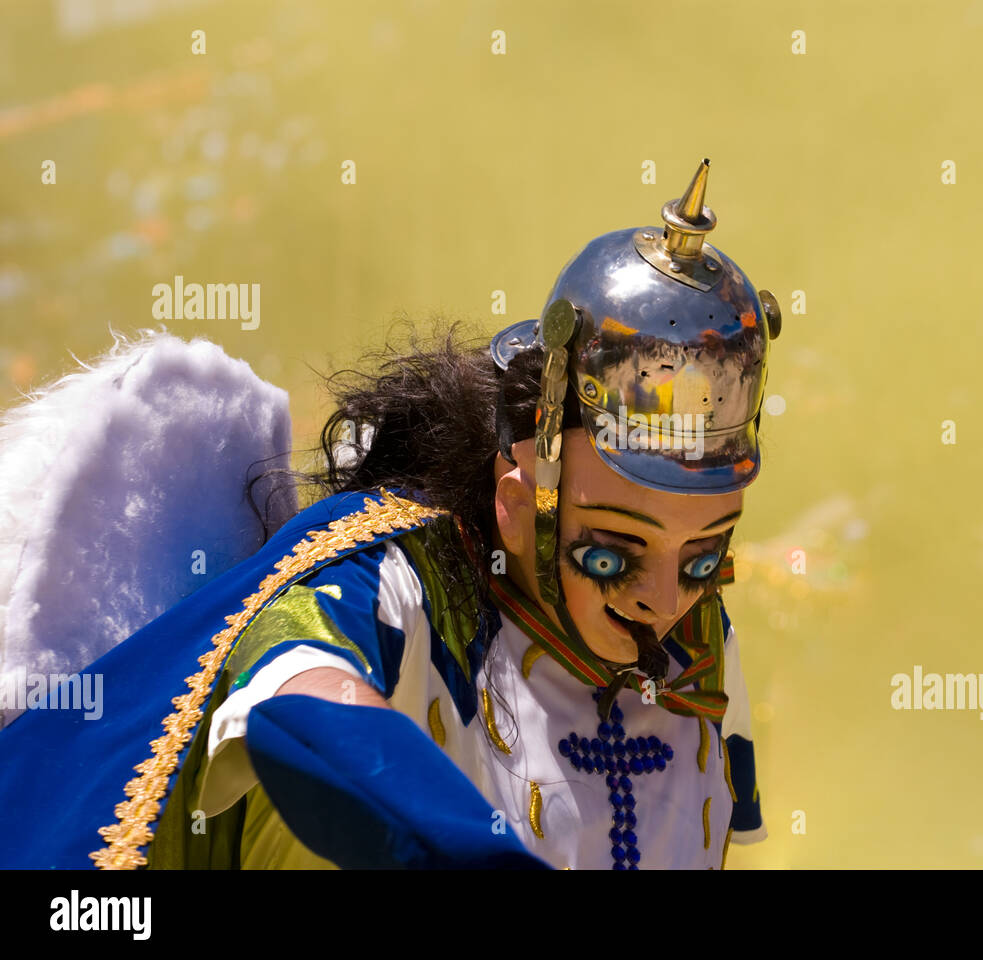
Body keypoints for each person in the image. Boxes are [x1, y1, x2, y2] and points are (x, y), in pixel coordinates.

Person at [0, 159, 780, 870]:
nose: (664, 602)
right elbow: (295, 704)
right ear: (519, 503)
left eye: (704, 560)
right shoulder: (395, 575)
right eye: (612, 554)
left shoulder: (701, 644)